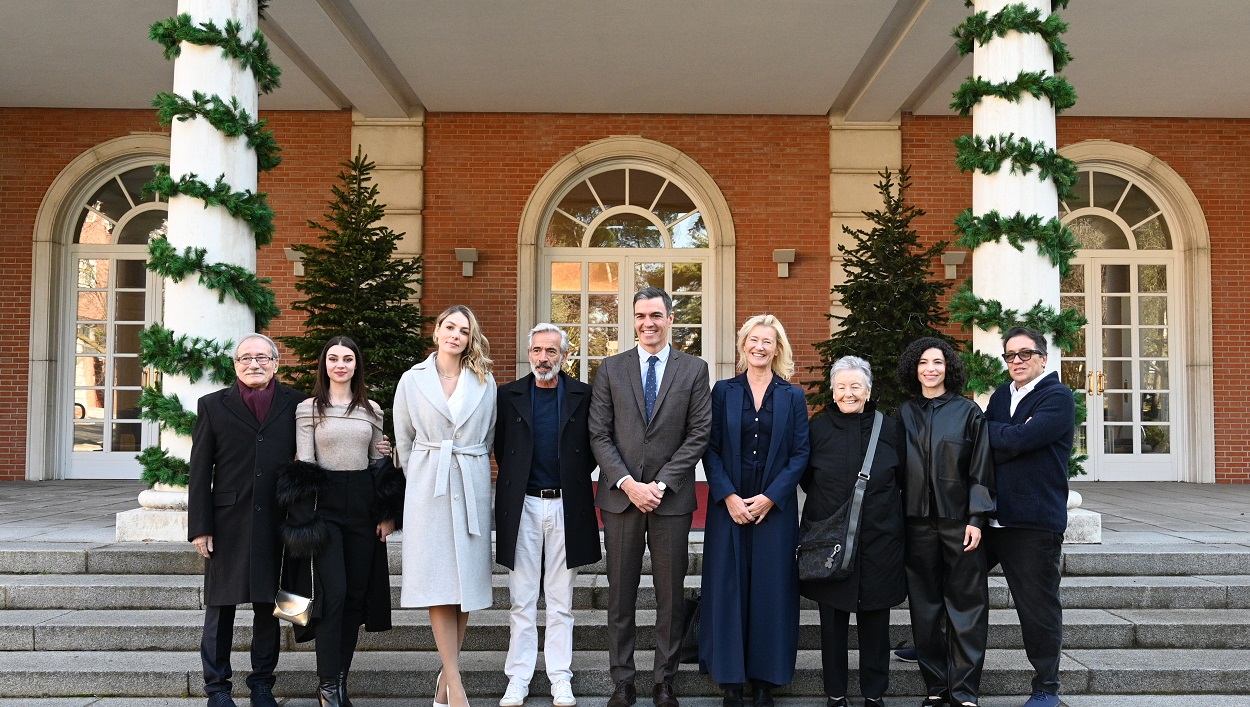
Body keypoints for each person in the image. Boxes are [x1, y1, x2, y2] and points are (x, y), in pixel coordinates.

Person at [590, 286, 712, 707]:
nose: (648, 323)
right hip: (622, 500)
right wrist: (628, 483)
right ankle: (623, 681)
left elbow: (698, 434)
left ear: (670, 319)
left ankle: (664, 680)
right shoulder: (610, 369)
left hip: (670, 501)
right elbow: (599, 434)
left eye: (656, 315)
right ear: (633, 320)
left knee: (670, 598)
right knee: (620, 597)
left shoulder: (694, 369)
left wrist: (659, 485)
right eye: (641, 316)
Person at [275, 336, 403, 707]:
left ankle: (340, 681)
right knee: (334, 593)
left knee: (356, 597)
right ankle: (328, 686)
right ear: (324, 365)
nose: (341, 364)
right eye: (333, 358)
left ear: (356, 365)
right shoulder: (308, 409)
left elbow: (378, 464)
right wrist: (305, 517)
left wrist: (387, 512)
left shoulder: (373, 409)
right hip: (325, 507)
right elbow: (304, 464)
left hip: (363, 507)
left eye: (348, 359)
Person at [699, 315, 810, 707]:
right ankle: (730, 682)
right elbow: (709, 449)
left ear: (778, 348)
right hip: (728, 503)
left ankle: (765, 682)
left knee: (771, 591)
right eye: (753, 340)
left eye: (768, 341)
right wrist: (728, 496)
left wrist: (772, 497)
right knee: (727, 588)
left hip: (774, 508)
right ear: (743, 345)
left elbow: (800, 454)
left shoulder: (793, 396)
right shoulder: (722, 391)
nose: (759, 347)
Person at [188, 333, 303, 707]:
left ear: (276, 362)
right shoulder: (212, 405)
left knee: (270, 604)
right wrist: (200, 526)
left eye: (262, 357)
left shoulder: (298, 403)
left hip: (279, 520)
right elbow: (200, 469)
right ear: (235, 365)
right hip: (227, 522)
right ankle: (217, 688)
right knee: (219, 607)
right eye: (245, 358)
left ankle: (261, 685)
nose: (254, 364)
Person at [394, 305, 497, 707]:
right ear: (436, 331)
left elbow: (486, 437)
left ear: (471, 338)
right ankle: (455, 685)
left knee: (465, 585)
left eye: (464, 330)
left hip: (470, 480)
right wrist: (422, 473)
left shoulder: (484, 380)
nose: (456, 335)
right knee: (440, 584)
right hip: (428, 487)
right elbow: (403, 438)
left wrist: (466, 465)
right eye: (450, 327)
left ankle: (445, 682)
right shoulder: (412, 379)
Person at [494, 323, 602, 707]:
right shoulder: (507, 395)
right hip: (522, 505)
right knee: (521, 600)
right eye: (537, 350)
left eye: (551, 351)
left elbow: (592, 448)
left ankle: (560, 678)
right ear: (529, 353)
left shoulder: (583, 395)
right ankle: (518, 679)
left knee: (560, 601)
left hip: (566, 506)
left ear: (565, 356)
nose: (543, 358)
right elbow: (502, 447)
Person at [800, 356, 904, 707]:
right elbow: (806, 479)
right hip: (830, 543)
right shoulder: (817, 428)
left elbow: (902, 479)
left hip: (879, 540)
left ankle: (874, 695)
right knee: (831, 624)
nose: (848, 393)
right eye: (841, 386)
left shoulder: (889, 428)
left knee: (876, 622)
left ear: (868, 390)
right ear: (832, 389)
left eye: (855, 386)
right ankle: (836, 694)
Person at [896, 337, 994, 707]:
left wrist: (976, 518)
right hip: (916, 524)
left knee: (967, 605)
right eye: (923, 362)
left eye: (937, 362)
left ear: (948, 368)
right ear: (914, 369)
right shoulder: (904, 414)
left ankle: (965, 691)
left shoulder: (969, 413)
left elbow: (981, 470)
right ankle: (936, 688)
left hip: (960, 524)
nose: (930, 369)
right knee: (925, 608)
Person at [984, 327, 1074, 707]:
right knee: (951, 579)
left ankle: (1046, 686)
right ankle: (932, 647)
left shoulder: (1058, 396)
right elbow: (986, 438)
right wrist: (1012, 437)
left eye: (1025, 354)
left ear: (1043, 357)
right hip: (991, 517)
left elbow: (1017, 441)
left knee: (1037, 608)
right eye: (1010, 355)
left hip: (1033, 522)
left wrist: (1008, 438)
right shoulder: (1003, 395)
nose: (1017, 361)